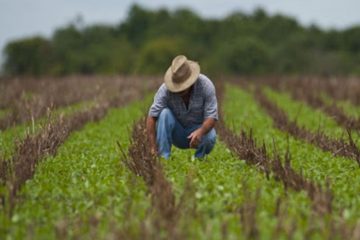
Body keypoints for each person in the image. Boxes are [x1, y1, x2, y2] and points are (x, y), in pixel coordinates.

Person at [146, 55, 218, 159]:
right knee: (164, 113)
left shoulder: (206, 85)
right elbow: (152, 117)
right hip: (178, 132)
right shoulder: (165, 90)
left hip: (198, 131)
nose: (180, 91)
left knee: (210, 136)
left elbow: (212, 117)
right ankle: (163, 158)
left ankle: (199, 160)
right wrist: (152, 148)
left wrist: (200, 131)